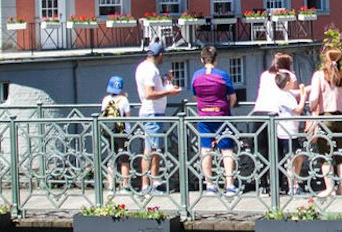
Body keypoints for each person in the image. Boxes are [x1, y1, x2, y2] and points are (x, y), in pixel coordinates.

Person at [302, 46, 342, 196]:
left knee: (325, 154)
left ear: (326, 59)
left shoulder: (319, 75)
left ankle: (330, 188)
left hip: (326, 117)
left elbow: (314, 98)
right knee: (341, 153)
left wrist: (312, 108)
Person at [250, 52, 305, 192]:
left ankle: (263, 185)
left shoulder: (264, 75)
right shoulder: (288, 76)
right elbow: (293, 93)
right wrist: (305, 92)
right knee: (279, 150)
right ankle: (279, 184)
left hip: (259, 112)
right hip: (275, 114)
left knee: (262, 150)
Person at [190, 45, 240, 194]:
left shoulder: (196, 76)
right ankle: (229, 184)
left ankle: (209, 184)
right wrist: (226, 109)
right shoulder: (222, 75)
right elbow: (232, 97)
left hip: (204, 116)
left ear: (201, 59)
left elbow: (195, 95)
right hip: (221, 115)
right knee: (227, 150)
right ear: (216, 59)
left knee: (206, 149)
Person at [134, 42, 182, 192]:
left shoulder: (143, 67)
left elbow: (153, 86)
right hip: (152, 113)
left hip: (153, 113)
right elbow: (149, 94)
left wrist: (165, 80)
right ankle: (146, 185)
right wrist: (170, 92)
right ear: (160, 54)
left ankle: (154, 182)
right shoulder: (151, 70)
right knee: (150, 149)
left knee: (155, 149)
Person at [99, 75, 132, 189]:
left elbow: (103, 114)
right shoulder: (124, 100)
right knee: (124, 158)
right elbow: (128, 116)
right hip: (122, 133)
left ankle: (111, 186)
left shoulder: (105, 99)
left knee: (111, 158)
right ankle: (125, 185)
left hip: (108, 132)